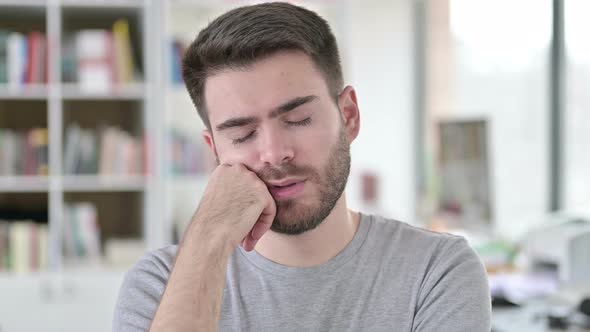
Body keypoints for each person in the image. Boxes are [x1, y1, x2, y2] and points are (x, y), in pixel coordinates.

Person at [113, 2, 491, 331]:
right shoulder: (158, 285)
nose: (274, 153)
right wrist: (210, 236)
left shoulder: (437, 271)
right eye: (243, 135)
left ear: (349, 116)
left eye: (297, 119)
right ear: (215, 152)